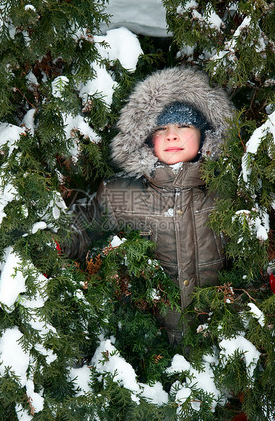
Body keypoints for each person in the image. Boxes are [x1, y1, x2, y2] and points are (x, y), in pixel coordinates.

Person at [66, 67, 234, 345]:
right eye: (161, 128)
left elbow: (251, 258)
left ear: (206, 135)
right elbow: (84, 227)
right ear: (147, 139)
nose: (172, 135)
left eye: (184, 126)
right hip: (150, 346)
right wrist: (59, 242)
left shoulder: (224, 194)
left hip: (216, 342)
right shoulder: (121, 194)